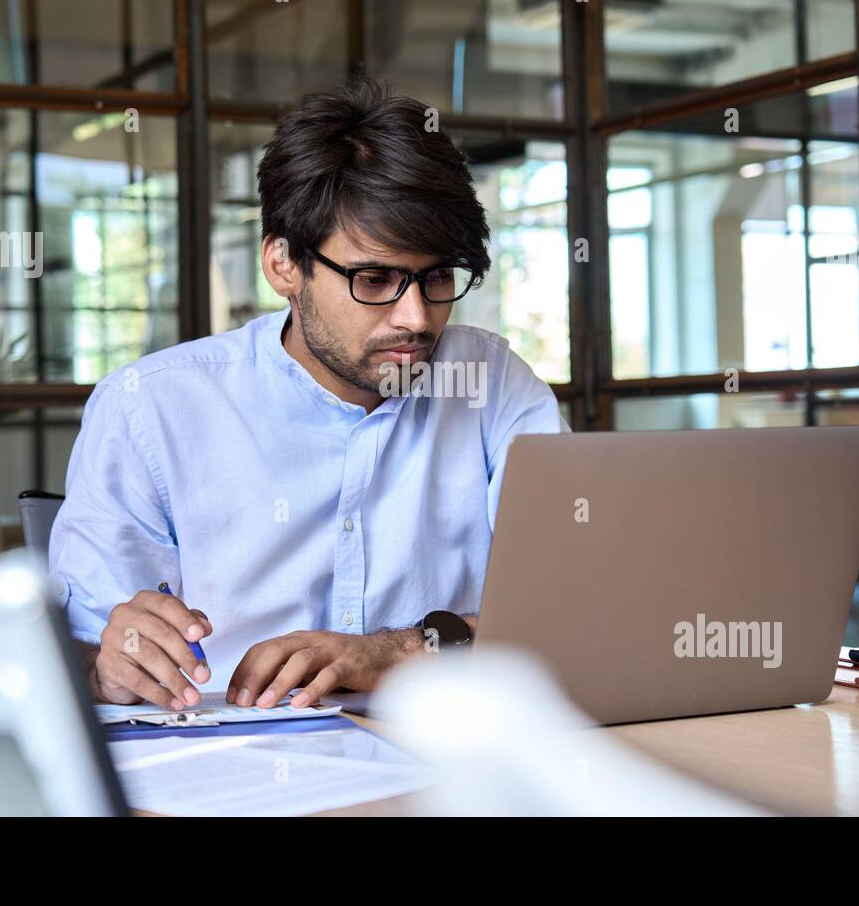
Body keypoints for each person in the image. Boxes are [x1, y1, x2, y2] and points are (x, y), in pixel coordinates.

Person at [48, 74, 568, 712]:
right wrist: (106, 668)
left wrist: (397, 652)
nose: (416, 317)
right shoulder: (149, 409)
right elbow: (69, 658)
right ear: (283, 265)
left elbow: (573, 618)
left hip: (449, 759)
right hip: (229, 771)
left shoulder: (492, 383)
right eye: (374, 279)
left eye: (435, 277)